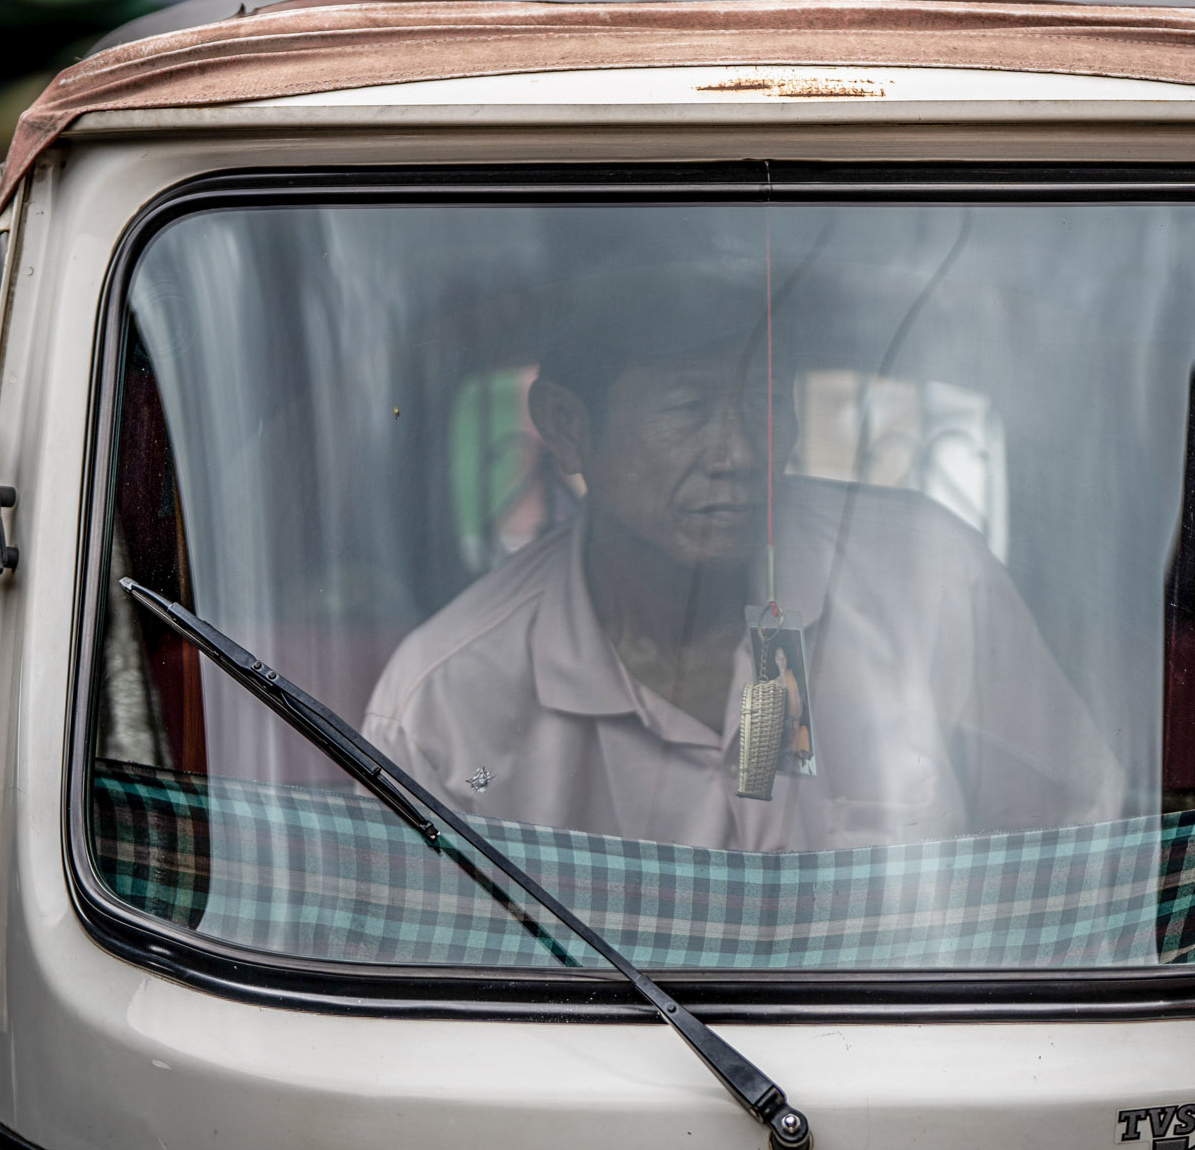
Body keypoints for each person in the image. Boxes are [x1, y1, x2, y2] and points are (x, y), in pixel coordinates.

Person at [364, 263, 1121, 850]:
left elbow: (1076, 849)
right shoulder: (447, 701)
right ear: (566, 425)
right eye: (686, 409)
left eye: (766, 401)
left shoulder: (929, 583)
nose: (739, 453)